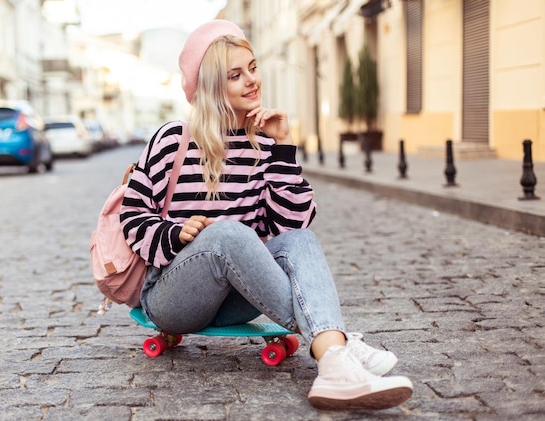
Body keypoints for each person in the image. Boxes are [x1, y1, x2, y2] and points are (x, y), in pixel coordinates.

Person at [120, 19, 413, 410]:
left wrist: (283, 147)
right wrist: (176, 233)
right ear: (211, 87)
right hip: (172, 298)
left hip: (240, 295)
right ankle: (337, 346)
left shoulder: (262, 146)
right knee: (229, 235)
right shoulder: (173, 138)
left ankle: (334, 361)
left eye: (253, 68)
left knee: (300, 241)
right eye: (235, 75)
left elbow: (292, 225)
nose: (251, 81)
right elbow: (132, 216)